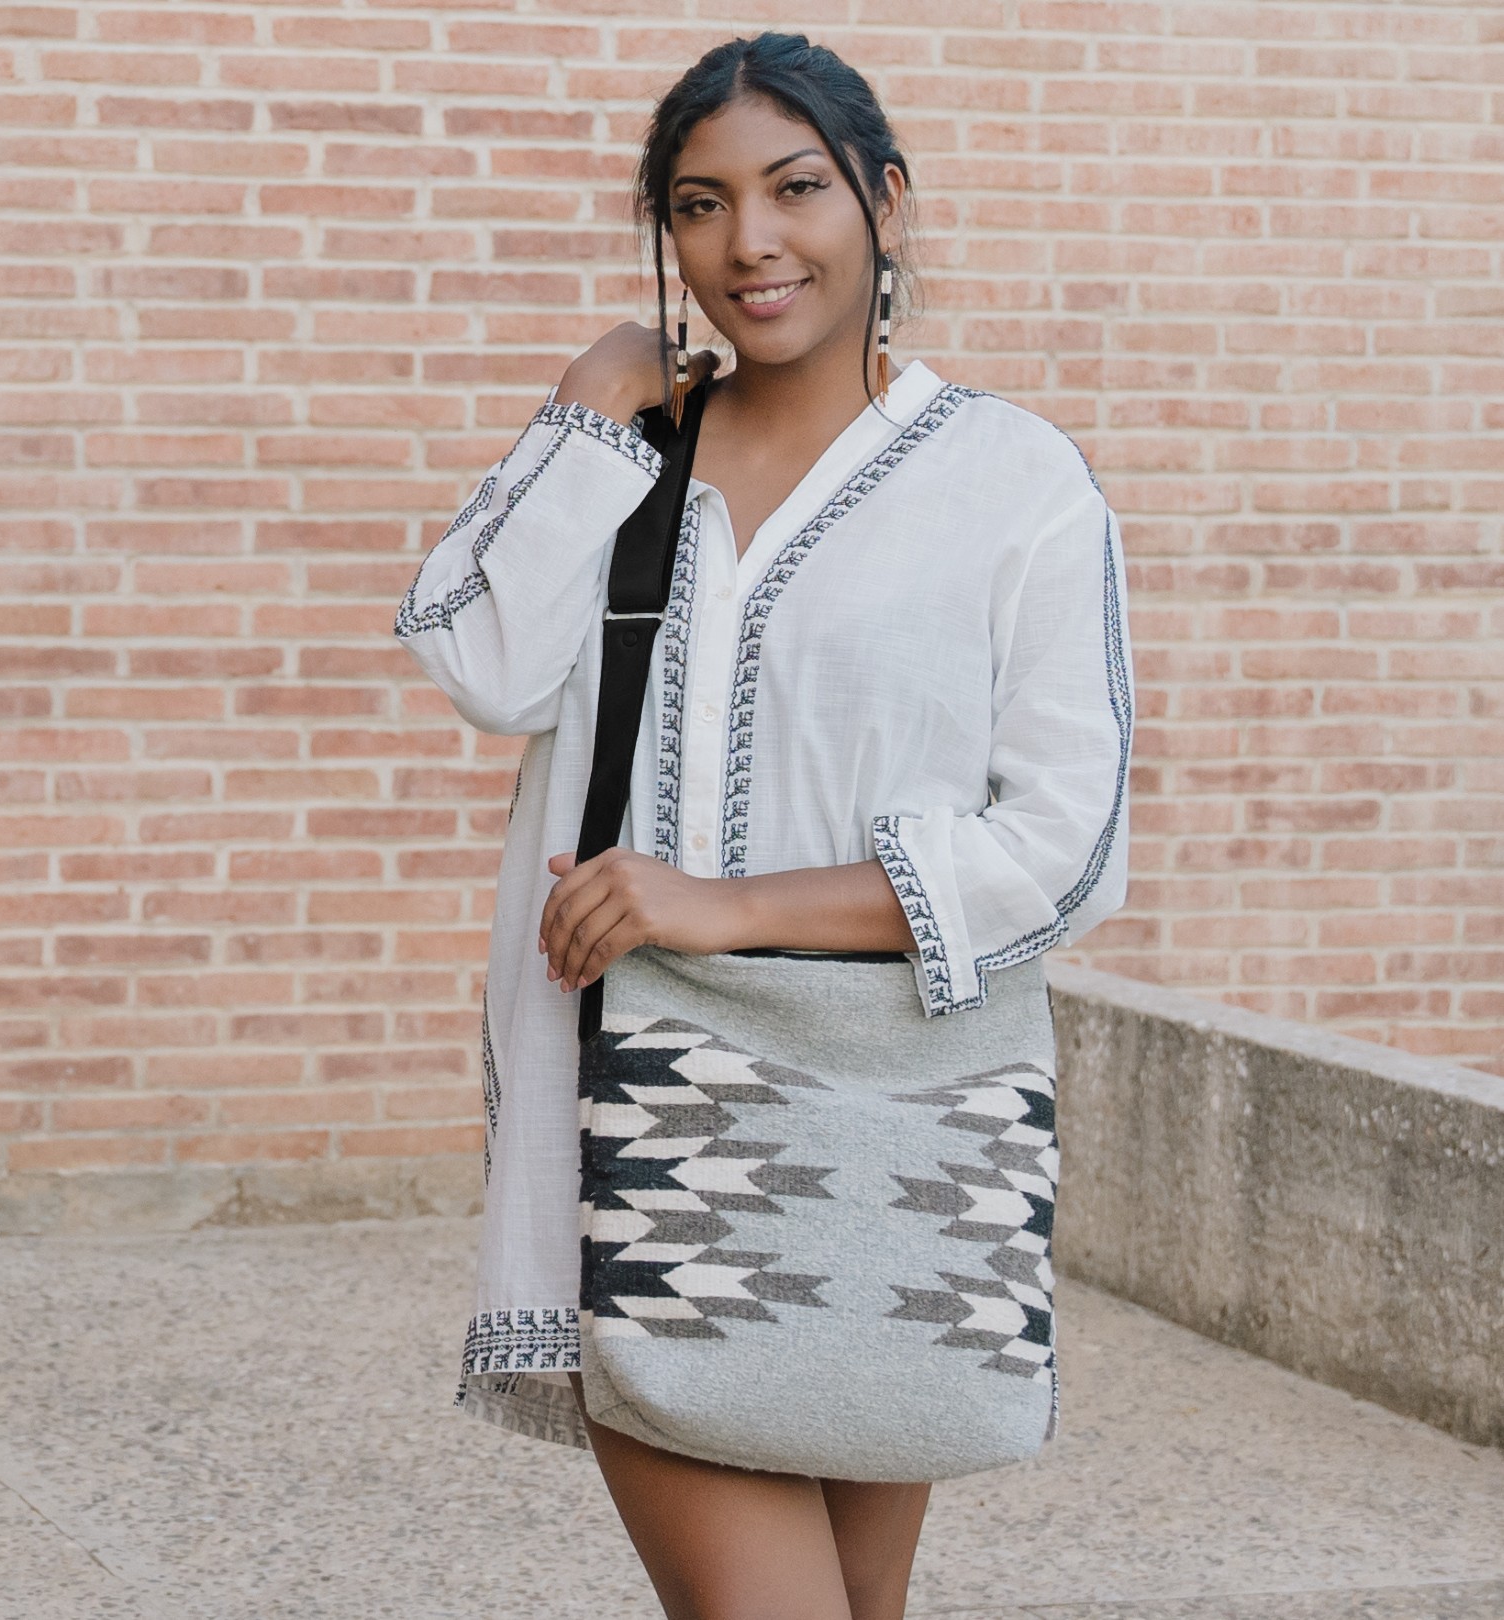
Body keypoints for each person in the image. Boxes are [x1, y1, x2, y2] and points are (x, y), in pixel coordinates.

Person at [396, 33, 1133, 1620]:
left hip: (899, 1129)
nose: (751, 243)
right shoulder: (629, 465)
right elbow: (479, 657)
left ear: (884, 201)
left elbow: (1062, 845)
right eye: (700, 203)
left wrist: (717, 904)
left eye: (796, 189)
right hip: (645, 1122)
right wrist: (588, 406)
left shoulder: (1016, 484)